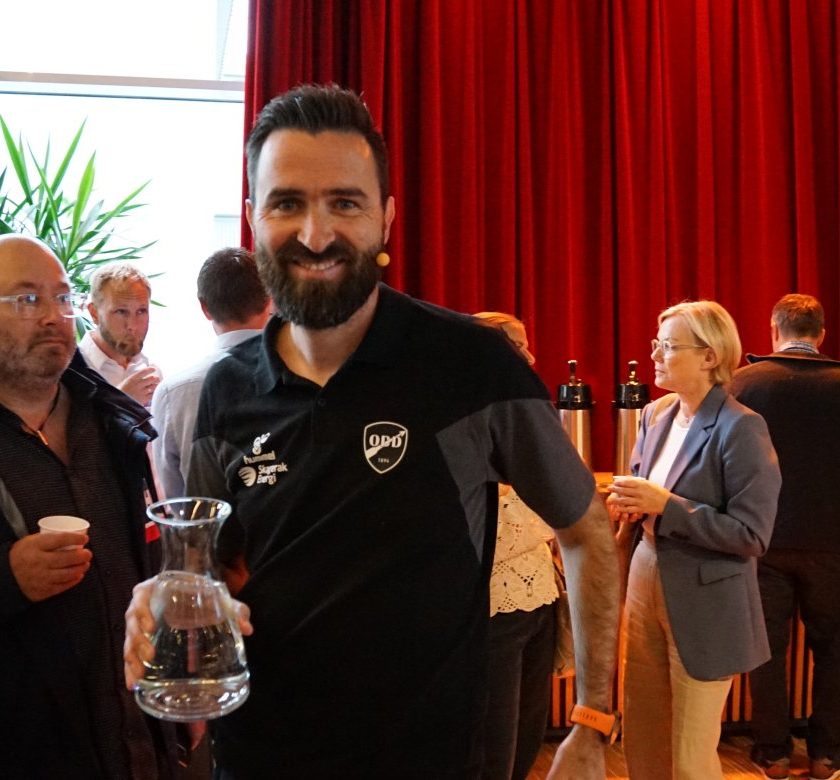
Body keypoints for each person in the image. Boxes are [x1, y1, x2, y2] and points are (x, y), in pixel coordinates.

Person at [123, 83, 620, 779]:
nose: (315, 234)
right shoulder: (228, 391)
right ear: (253, 217)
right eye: (287, 203)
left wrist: (593, 722)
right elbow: (215, 566)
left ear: (386, 217)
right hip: (260, 758)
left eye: (345, 203)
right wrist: (169, 594)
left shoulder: (471, 365)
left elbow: (586, 530)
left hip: (433, 761)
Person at [0, 234, 180, 778]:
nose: (52, 316)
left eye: (62, 298)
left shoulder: (111, 422)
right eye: (26, 299)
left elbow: (141, 569)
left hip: (135, 745)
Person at [607, 300, 781, 780]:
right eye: (656, 343)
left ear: (709, 356)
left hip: (707, 598)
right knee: (643, 735)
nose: (654, 355)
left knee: (689, 755)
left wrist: (667, 506)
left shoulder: (741, 426)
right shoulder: (655, 413)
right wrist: (630, 503)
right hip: (646, 572)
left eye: (668, 346)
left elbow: (751, 534)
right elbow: (646, 490)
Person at [730, 293, 840, 780]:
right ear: (822, 334)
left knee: (766, 649)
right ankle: (825, 754)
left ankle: (772, 754)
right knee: (831, 647)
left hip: (763, 536)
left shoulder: (746, 382)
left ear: (774, 330)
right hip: (832, 538)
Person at [473, 311, 558, 780]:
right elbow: (483, 524)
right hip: (493, 608)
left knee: (529, 733)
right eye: (519, 346)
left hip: (541, 597)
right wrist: (553, 520)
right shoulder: (463, 415)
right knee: (495, 744)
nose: (531, 357)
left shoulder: (525, 412)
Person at [150, 247, 271, 498]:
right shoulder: (299, 375)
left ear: (204, 307)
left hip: (205, 520)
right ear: (269, 300)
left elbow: (175, 497)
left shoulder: (173, 392)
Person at [79, 261, 163, 406]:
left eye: (141, 311)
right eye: (121, 312)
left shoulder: (151, 371)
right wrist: (120, 402)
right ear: (94, 313)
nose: (133, 326)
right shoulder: (70, 371)